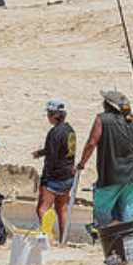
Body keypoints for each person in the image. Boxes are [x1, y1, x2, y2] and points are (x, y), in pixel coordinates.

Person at [74, 89, 133, 229]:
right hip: (131, 175)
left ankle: (104, 240)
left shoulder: (102, 119)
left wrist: (81, 164)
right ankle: (126, 240)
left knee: (103, 216)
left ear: (108, 105)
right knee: (127, 214)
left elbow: (91, 144)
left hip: (110, 176)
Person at [32, 99, 76, 241]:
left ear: (52, 115)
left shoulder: (54, 133)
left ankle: (48, 238)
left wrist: (45, 179)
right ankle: (64, 241)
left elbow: (52, 157)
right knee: (62, 209)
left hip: (54, 176)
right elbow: (60, 150)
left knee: (42, 209)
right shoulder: (69, 130)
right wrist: (40, 152)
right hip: (68, 174)